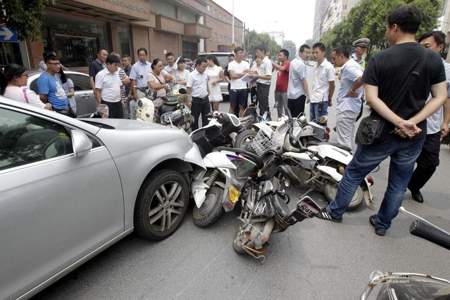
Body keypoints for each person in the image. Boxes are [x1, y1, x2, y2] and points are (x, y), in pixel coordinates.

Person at [316, 6, 448, 237]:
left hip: (381, 132)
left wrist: (399, 122)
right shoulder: (433, 59)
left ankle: (335, 212)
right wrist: (411, 122)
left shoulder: (381, 58)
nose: (387, 32)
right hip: (415, 133)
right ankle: (382, 223)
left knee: (354, 172)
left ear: (395, 28)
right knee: (399, 181)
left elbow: (372, 98)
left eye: (388, 28)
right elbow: (440, 97)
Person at [408, 31, 450, 203]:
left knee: (430, 163)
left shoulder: (447, 70)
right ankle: (396, 191)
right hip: (411, 122)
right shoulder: (414, 64)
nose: (423, 50)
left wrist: (446, 122)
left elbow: (446, 98)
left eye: (427, 46)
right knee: (405, 161)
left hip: (432, 127)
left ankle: (414, 185)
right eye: (421, 46)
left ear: (440, 47)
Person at [331, 47, 364, 149]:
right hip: (351, 107)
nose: (333, 61)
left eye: (334, 58)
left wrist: (353, 89)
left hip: (347, 108)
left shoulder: (349, 67)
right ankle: (348, 162)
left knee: (343, 143)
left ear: (341, 56)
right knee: (347, 139)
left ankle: (344, 163)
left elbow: (363, 78)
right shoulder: (351, 65)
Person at [310, 42, 335, 123]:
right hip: (313, 99)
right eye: (313, 52)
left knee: (320, 126)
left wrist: (329, 98)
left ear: (323, 52)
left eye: (317, 52)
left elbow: (332, 85)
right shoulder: (315, 65)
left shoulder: (328, 67)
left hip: (321, 101)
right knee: (312, 125)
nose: (314, 55)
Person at [95, 54, 125, 118]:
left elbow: (120, 87)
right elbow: (97, 91)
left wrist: (122, 101)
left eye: (118, 65)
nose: (117, 68)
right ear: (108, 64)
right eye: (115, 65)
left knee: (120, 122)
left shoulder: (117, 73)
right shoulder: (100, 75)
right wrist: (101, 108)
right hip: (107, 103)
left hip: (118, 103)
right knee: (109, 124)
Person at [288, 44, 311, 118]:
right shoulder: (301, 64)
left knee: (291, 118)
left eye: (309, 53)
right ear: (300, 53)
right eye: (306, 52)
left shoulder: (292, 62)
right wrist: (308, 95)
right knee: (298, 119)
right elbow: (304, 81)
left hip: (290, 95)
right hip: (299, 96)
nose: (308, 55)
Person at [187, 57, 210, 130]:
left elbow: (206, 83)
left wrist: (208, 91)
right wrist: (189, 100)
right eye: (203, 66)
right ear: (197, 65)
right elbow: (189, 88)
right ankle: (195, 136)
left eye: (206, 67)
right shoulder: (192, 75)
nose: (204, 68)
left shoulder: (205, 74)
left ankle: (205, 135)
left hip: (205, 99)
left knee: (207, 118)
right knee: (195, 120)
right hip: (196, 100)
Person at [228, 47, 250, 116]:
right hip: (234, 88)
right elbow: (232, 76)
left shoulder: (246, 64)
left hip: (243, 88)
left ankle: (241, 122)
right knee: (232, 107)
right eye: (239, 53)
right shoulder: (231, 64)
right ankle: (229, 122)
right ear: (235, 54)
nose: (241, 55)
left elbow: (247, 75)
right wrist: (242, 73)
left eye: (242, 53)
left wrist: (237, 74)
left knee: (242, 107)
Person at [252, 46, 272, 117]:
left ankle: (266, 121)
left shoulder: (267, 62)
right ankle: (262, 119)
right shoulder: (259, 61)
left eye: (257, 52)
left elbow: (269, 77)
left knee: (264, 104)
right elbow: (257, 72)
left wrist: (257, 76)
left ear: (263, 51)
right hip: (259, 84)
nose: (256, 54)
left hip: (264, 85)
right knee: (261, 105)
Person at [272, 49, 291, 118]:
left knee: (286, 108)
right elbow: (271, 71)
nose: (278, 57)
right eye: (278, 55)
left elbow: (282, 69)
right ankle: (280, 122)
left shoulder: (287, 63)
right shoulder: (280, 63)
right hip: (277, 90)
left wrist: (273, 63)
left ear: (286, 56)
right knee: (278, 108)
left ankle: (289, 123)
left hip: (285, 91)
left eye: (280, 55)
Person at [121, 54, 134, 119]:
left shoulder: (132, 69)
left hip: (132, 94)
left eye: (125, 60)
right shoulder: (123, 70)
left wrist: (130, 94)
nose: (123, 62)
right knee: (128, 111)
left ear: (130, 61)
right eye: (123, 61)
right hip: (126, 93)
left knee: (132, 111)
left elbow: (133, 82)